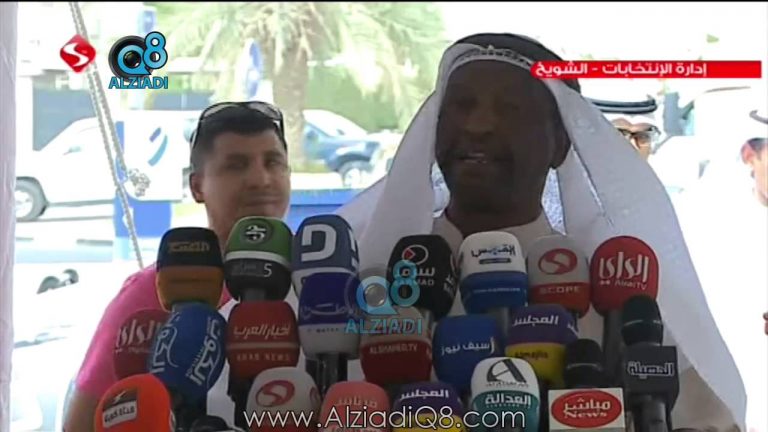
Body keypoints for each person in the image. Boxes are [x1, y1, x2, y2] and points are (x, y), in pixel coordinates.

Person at [337, 33, 747, 430]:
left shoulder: (614, 305)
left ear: (560, 143)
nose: (477, 126)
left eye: (510, 109)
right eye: (461, 105)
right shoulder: (372, 286)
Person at [63, 101, 292, 431]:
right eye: (236, 166)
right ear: (198, 187)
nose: (260, 179)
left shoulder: (317, 279)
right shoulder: (150, 292)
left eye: (273, 162)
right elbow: (81, 424)